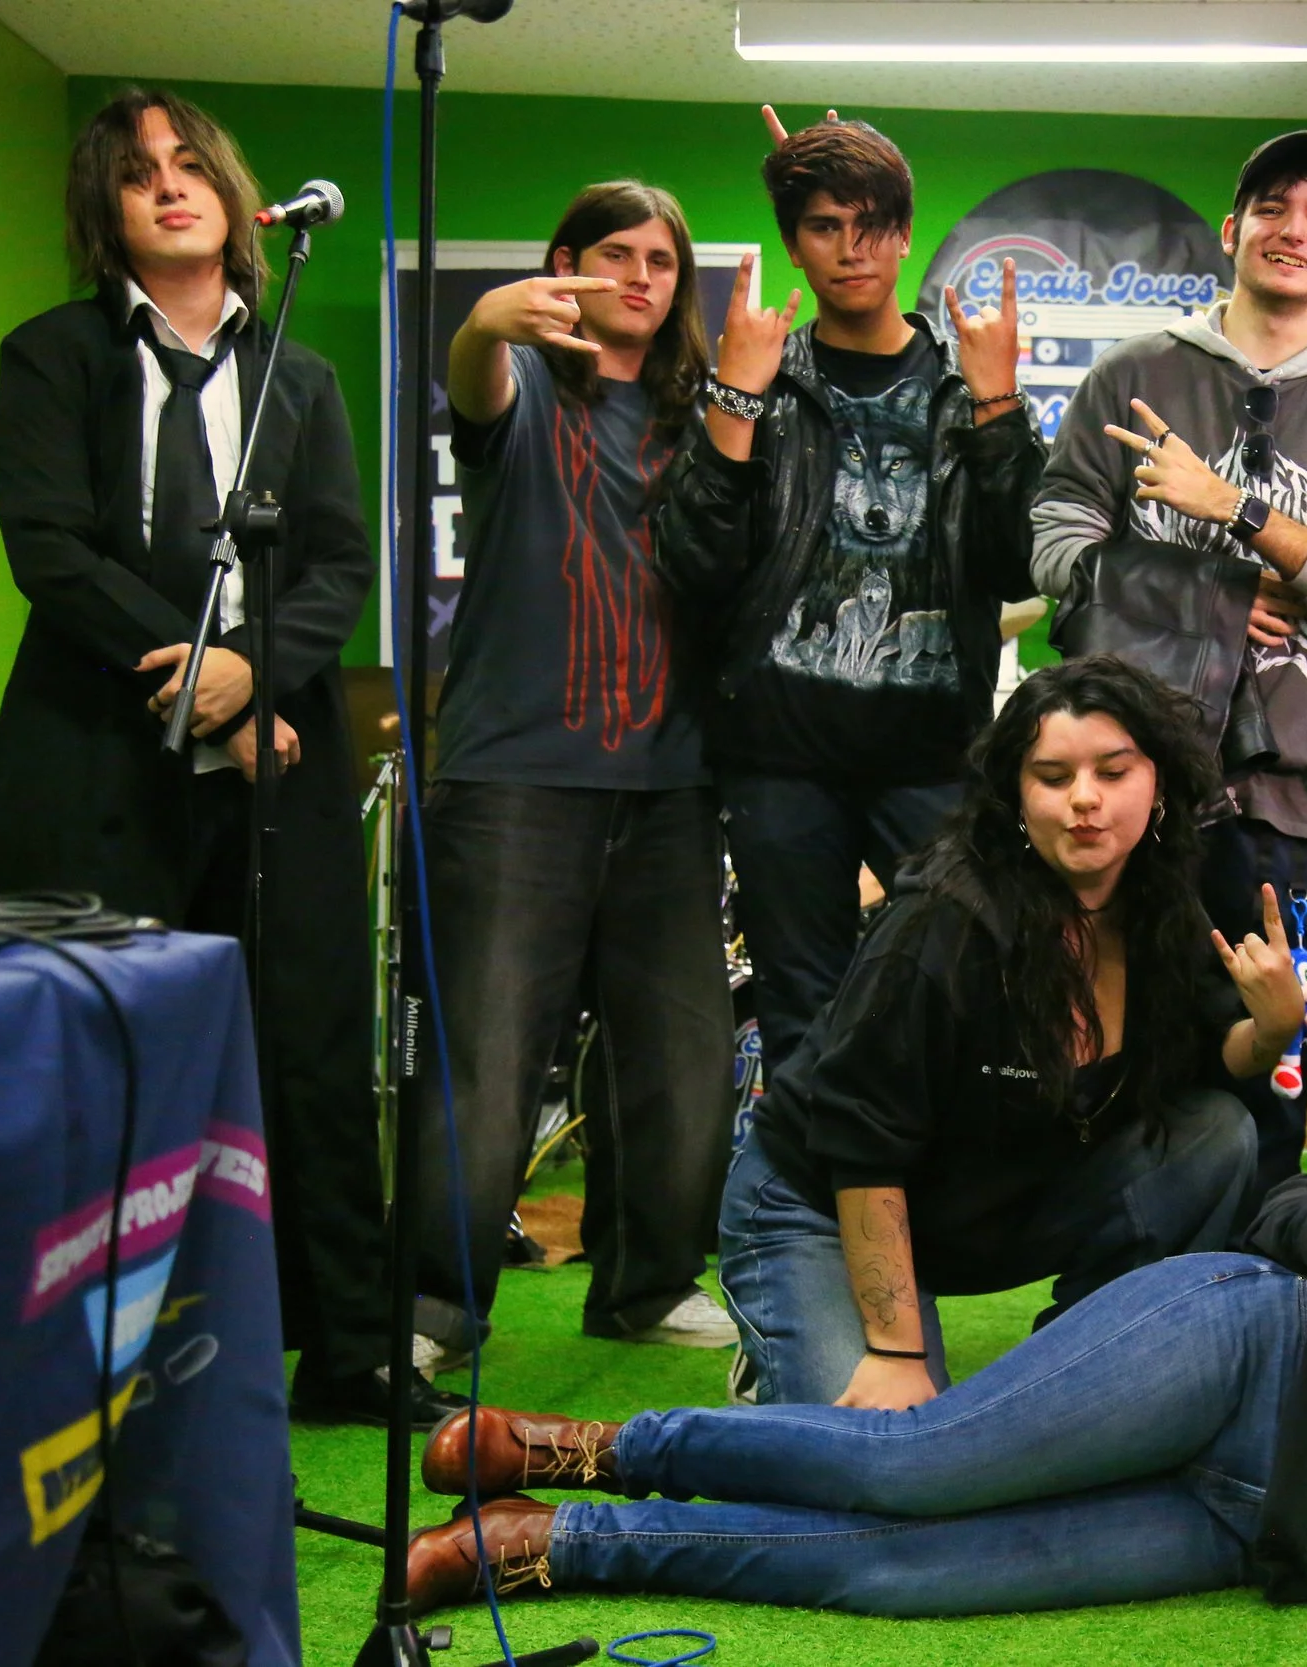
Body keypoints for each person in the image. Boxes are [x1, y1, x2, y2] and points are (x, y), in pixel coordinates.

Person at [402, 1121, 1307, 1631]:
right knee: (916, 1464)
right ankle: (598, 1447)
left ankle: (566, 1541)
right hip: (1242, 1351)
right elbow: (1284, 1209)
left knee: (894, 1576)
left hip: (1258, 1528)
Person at [0, 89, 433, 1424]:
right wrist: (209, 686)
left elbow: (338, 561)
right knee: (95, 1053)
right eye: (137, 173)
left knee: (312, 1051)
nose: (169, 186)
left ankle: (348, 1349)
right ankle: (86, 1362)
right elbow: (51, 547)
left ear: (237, 200)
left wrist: (255, 672)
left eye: (190, 164)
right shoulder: (49, 354)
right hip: (93, 755)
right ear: (104, 209)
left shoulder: (303, 375)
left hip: (278, 763)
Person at [711, 657, 1294, 1410]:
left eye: (1113, 771)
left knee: (1215, 1134)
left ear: (1158, 783)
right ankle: (782, 1341)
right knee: (892, 1458)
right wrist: (894, 1351)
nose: (1084, 798)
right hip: (823, 1202)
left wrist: (1273, 1028)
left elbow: (1205, 1055)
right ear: (1016, 794)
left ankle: (1079, 1375)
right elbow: (860, 1142)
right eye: (1053, 776)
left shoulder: (1158, 899)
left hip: (979, 1202)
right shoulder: (944, 922)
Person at [1032, 130, 1307, 1187]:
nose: (1294, 231)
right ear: (1231, 230)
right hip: (1133, 777)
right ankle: (1115, 1267)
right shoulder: (1134, 375)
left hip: (1295, 794)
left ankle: (1257, 1274)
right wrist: (1207, 595)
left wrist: (1236, 510)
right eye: (1272, 208)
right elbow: (1056, 547)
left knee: (1277, 1058)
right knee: (1119, 1044)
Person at [651, 110, 1045, 1076]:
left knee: (957, 1003)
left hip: (933, 755)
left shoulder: (964, 385)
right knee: (801, 1023)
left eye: (872, 225)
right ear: (794, 245)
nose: (851, 248)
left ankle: (923, 1184)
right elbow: (695, 566)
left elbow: (1019, 566)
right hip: (780, 758)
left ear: (906, 235)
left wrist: (999, 409)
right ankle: (806, 1183)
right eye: (825, 226)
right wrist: (735, 399)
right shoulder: (761, 381)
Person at [417, 181, 734, 1368]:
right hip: (515, 778)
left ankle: (647, 1285)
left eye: (663, 259)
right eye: (617, 253)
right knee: (487, 1060)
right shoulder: (520, 384)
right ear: (565, 265)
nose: (642, 276)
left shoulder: (704, 418)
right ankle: (437, 1305)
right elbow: (474, 376)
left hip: (672, 785)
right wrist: (482, 322)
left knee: (683, 1067)